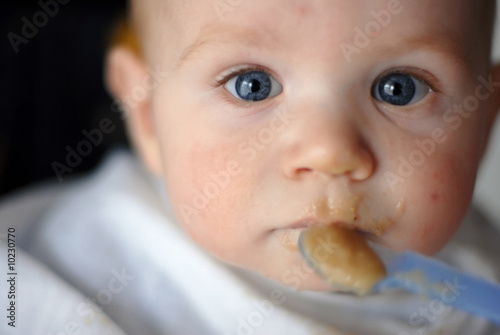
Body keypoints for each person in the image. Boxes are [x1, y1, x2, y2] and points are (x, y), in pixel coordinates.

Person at [1, 0, 500, 334]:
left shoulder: (480, 276)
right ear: (149, 113)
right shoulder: (57, 284)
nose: (330, 152)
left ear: (482, 121)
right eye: (252, 85)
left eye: (400, 89)